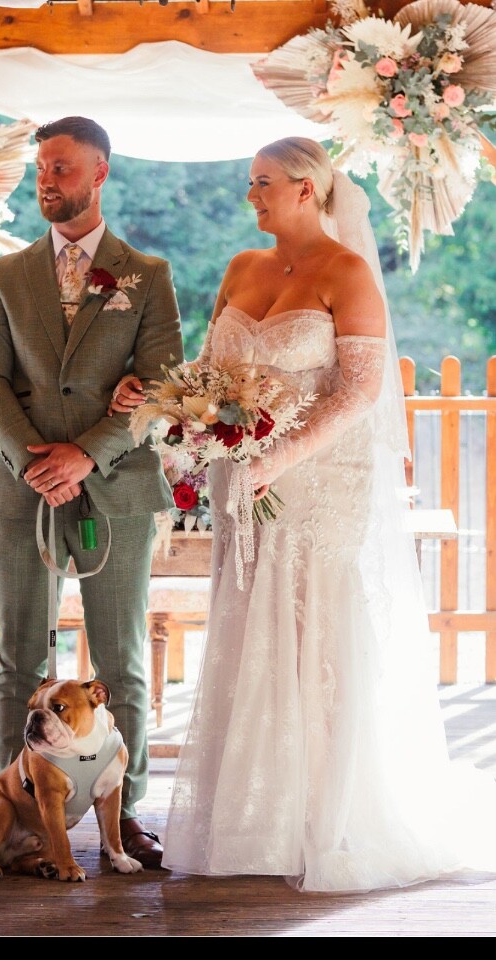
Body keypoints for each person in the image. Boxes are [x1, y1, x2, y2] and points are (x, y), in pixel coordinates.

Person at [109, 136, 496, 892]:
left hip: (319, 483)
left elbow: (358, 392)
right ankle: (256, 823)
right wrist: (159, 398)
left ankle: (327, 820)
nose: (249, 196)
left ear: (306, 189)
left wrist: (277, 461)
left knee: (309, 630)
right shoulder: (240, 268)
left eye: (262, 183)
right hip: (238, 480)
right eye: (249, 183)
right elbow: (207, 373)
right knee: (247, 628)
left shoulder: (347, 272)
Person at [0, 116, 184, 870]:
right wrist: (30, 460)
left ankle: (130, 813)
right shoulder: (6, 273)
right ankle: (14, 810)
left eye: (61, 167)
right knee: (19, 656)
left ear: (100, 172)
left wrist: (86, 455)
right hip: (24, 491)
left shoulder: (147, 275)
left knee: (121, 663)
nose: (46, 179)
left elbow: (164, 384)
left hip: (115, 487)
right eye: (41, 168)